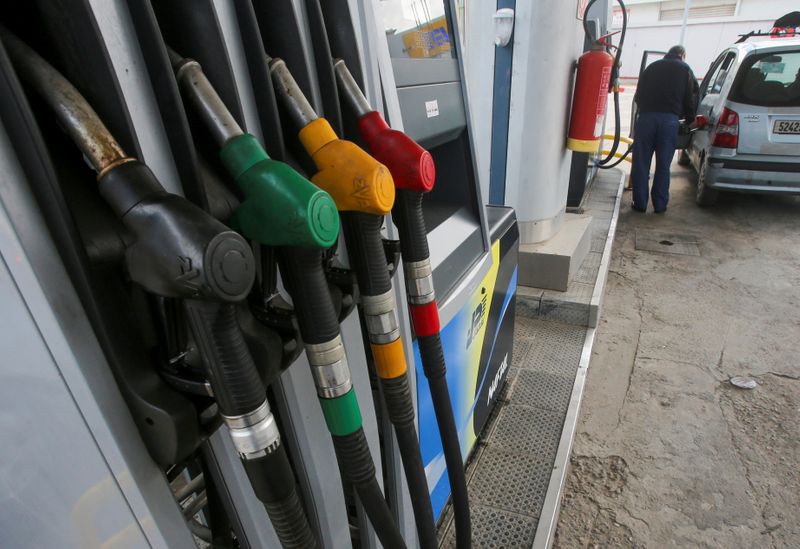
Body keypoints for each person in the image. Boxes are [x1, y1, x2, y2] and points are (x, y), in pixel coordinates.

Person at [631, 45, 698, 213]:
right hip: (669, 121)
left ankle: (639, 204)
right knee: (663, 165)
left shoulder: (652, 67)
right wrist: (690, 121)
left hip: (646, 118)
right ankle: (660, 205)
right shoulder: (685, 69)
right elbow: (690, 98)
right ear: (682, 55)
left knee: (641, 163)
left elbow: (638, 96)